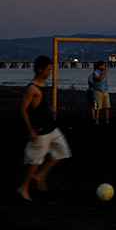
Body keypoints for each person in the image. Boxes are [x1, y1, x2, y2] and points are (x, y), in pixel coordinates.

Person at [17, 56, 72, 201]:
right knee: (35, 161)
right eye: (47, 70)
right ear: (39, 69)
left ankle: (41, 175)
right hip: (40, 131)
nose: (49, 72)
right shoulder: (32, 88)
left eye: (50, 69)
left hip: (52, 128)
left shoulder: (43, 84)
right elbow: (23, 110)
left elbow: (41, 105)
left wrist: (50, 110)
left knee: (62, 152)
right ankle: (24, 188)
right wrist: (30, 130)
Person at [92, 61, 111, 125]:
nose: (104, 67)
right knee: (98, 107)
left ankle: (107, 119)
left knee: (107, 106)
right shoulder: (95, 73)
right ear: (100, 66)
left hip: (105, 91)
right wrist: (105, 73)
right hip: (97, 92)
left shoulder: (103, 72)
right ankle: (97, 120)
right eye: (103, 65)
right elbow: (99, 78)